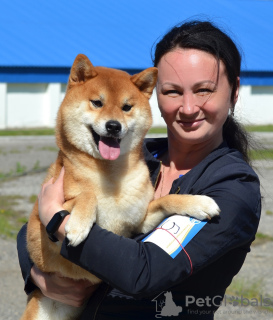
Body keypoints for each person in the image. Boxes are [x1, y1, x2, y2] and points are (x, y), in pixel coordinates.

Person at [17, 20, 261, 319]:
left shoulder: (232, 186)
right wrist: (41, 279)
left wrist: (58, 219)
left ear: (234, 91)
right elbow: (27, 232)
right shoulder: (135, 155)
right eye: (172, 91)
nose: (187, 107)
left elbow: (145, 272)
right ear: (154, 94)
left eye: (204, 90)